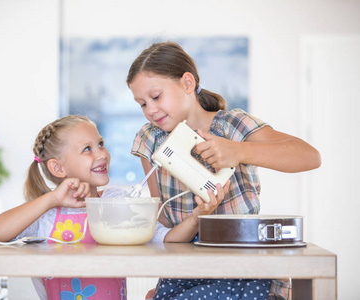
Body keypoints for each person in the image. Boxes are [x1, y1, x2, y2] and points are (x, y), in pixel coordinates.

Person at [126, 41, 321, 300]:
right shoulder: (149, 139)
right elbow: (161, 217)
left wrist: (239, 151)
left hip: (243, 263)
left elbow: (309, 156)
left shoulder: (232, 126)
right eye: (142, 103)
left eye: (156, 96)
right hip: (183, 268)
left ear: (187, 83)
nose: (150, 110)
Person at [0, 115, 127, 300]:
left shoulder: (115, 201)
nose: (102, 154)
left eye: (100, 144)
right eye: (87, 149)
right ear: (58, 168)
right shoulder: (46, 217)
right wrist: (51, 199)